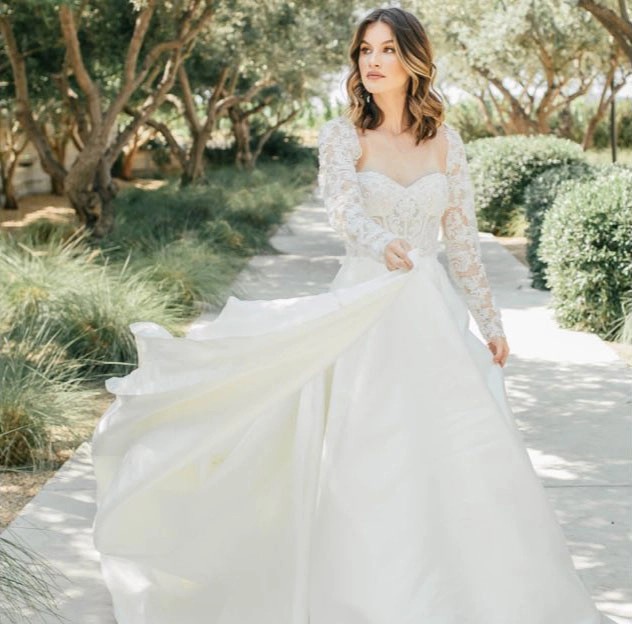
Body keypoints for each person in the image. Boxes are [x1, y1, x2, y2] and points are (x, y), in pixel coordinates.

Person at [91, 7, 616, 624]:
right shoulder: (342, 135)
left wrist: (492, 322)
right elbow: (341, 207)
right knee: (367, 454)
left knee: (455, 455)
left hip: (431, 318)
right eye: (365, 49)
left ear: (414, 60)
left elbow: (464, 242)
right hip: (365, 310)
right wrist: (378, 241)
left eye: (388, 49)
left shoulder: (446, 142)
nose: (372, 61)